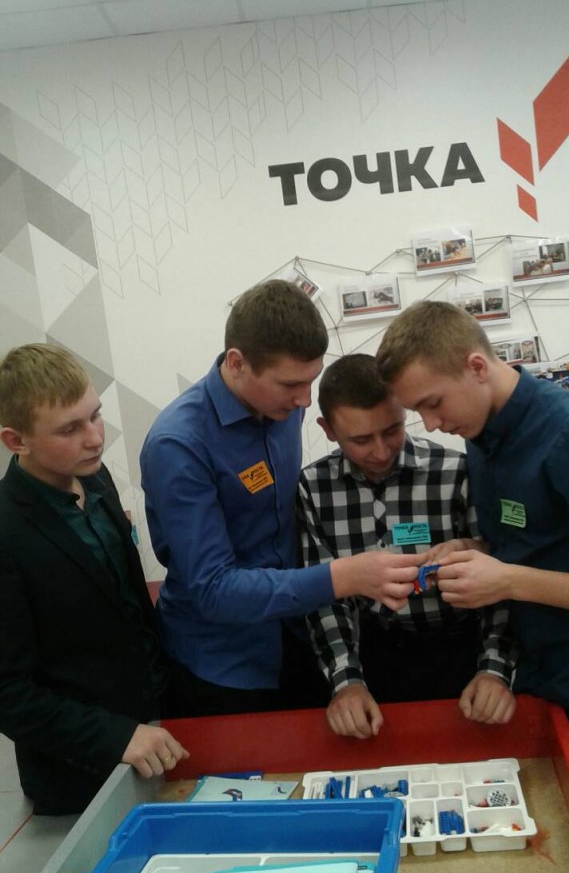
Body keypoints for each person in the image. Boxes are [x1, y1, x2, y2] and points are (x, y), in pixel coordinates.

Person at [140, 280, 420, 717]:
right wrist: (343, 576)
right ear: (237, 363)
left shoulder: (285, 405)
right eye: (290, 384)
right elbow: (212, 590)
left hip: (298, 640)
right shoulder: (178, 445)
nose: (304, 399)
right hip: (222, 667)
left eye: (311, 380)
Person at [376, 299, 569, 778]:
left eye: (433, 403)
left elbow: (523, 574)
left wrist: (507, 581)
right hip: (543, 687)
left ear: (478, 367)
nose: (431, 425)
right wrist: (477, 552)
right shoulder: (482, 433)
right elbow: (541, 540)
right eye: (417, 411)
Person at [0, 344, 188, 816]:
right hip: (80, 778)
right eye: (70, 429)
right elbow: (9, 694)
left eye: (95, 416)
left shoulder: (95, 477)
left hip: (157, 734)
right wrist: (116, 737)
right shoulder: (6, 532)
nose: (94, 438)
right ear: (16, 440)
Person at [298, 354, 515, 739]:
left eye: (392, 429)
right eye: (361, 440)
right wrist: (346, 682)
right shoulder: (313, 488)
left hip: (458, 652)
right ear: (327, 430)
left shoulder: (455, 473)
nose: (381, 451)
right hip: (372, 656)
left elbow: (499, 582)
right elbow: (325, 598)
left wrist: (494, 669)